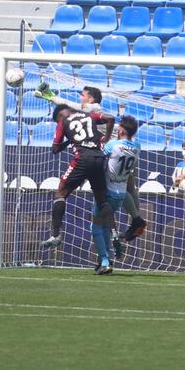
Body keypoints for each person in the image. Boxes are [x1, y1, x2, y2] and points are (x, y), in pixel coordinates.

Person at [40, 101, 115, 249]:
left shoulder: (64, 121)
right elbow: (111, 118)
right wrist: (106, 138)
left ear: (60, 115)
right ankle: (114, 233)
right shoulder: (89, 116)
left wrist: (68, 140)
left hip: (82, 160)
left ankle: (56, 236)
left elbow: (55, 149)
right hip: (99, 158)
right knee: (102, 200)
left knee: (61, 192)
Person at [94, 116, 140, 274]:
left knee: (95, 226)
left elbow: (99, 156)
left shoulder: (113, 145)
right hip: (121, 193)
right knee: (105, 225)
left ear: (121, 130)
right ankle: (104, 258)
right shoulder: (137, 147)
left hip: (107, 190)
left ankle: (105, 261)